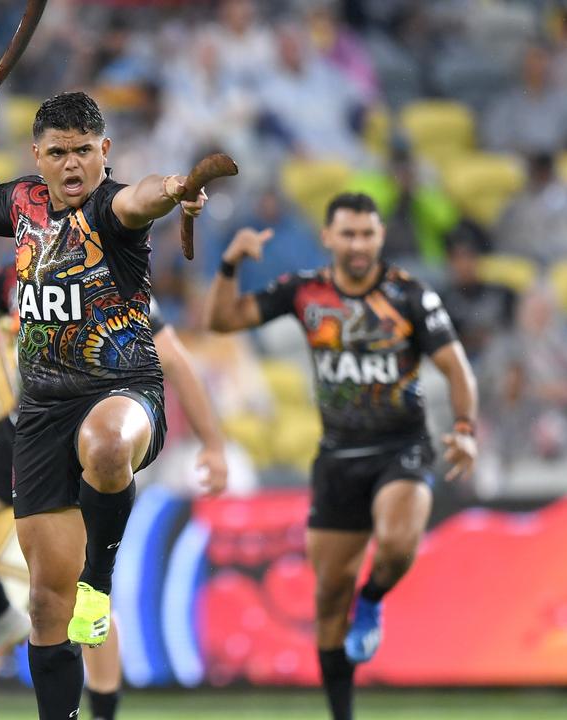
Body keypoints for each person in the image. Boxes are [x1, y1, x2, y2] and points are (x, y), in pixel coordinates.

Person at [0, 81, 208, 718]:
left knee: (108, 442)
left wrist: (172, 188)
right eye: (60, 152)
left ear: (104, 151)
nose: (73, 165)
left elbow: (144, 197)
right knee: (43, 606)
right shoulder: (26, 206)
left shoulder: (115, 208)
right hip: (40, 414)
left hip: (122, 391)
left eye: (85, 151)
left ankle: (101, 581)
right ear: (37, 155)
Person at [203, 193, 478, 720]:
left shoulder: (409, 295)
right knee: (329, 595)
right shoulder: (306, 291)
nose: (358, 244)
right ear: (328, 237)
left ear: (380, 238)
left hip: (403, 447)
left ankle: (372, 598)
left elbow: (457, 369)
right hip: (337, 457)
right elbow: (223, 321)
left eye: (367, 234)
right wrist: (230, 263)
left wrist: (464, 428)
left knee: (397, 544)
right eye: (348, 234)